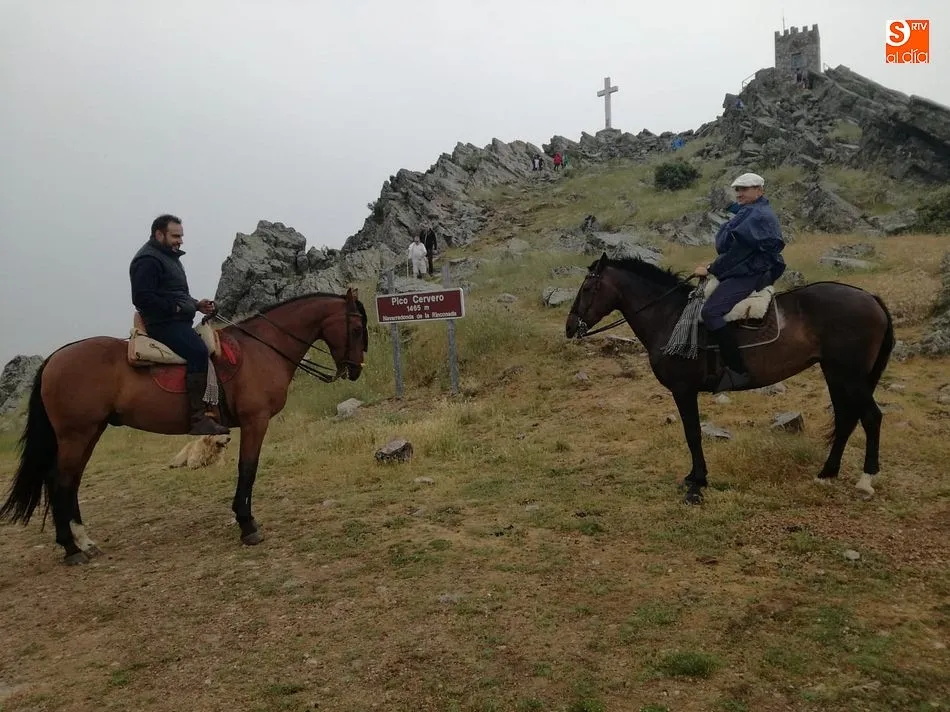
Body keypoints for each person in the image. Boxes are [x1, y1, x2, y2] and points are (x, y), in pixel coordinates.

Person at [130, 214, 230, 435]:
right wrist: (175, 308)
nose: (180, 241)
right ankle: (198, 419)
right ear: (159, 234)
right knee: (198, 351)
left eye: (181, 236)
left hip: (177, 321)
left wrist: (197, 305)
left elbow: (175, 293)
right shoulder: (148, 260)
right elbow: (142, 298)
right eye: (176, 236)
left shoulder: (168, 257)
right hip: (163, 324)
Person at [692, 173, 786, 392]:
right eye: (737, 189)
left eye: (744, 189)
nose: (739, 193)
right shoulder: (751, 211)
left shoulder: (757, 216)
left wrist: (710, 268)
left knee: (711, 312)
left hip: (750, 274)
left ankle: (737, 370)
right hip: (746, 269)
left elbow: (738, 252)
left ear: (759, 190)